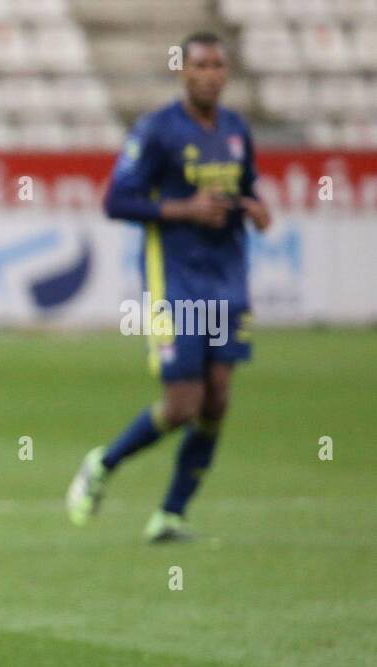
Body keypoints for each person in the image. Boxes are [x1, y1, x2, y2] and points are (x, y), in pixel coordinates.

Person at [67, 32, 271, 541]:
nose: (212, 74)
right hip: (176, 281)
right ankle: (104, 463)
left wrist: (256, 206)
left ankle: (171, 514)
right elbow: (116, 201)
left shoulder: (235, 130)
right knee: (183, 404)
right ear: (183, 70)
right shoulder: (158, 130)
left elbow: (244, 186)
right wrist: (185, 210)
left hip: (228, 276)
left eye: (219, 65)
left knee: (218, 398)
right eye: (201, 65)